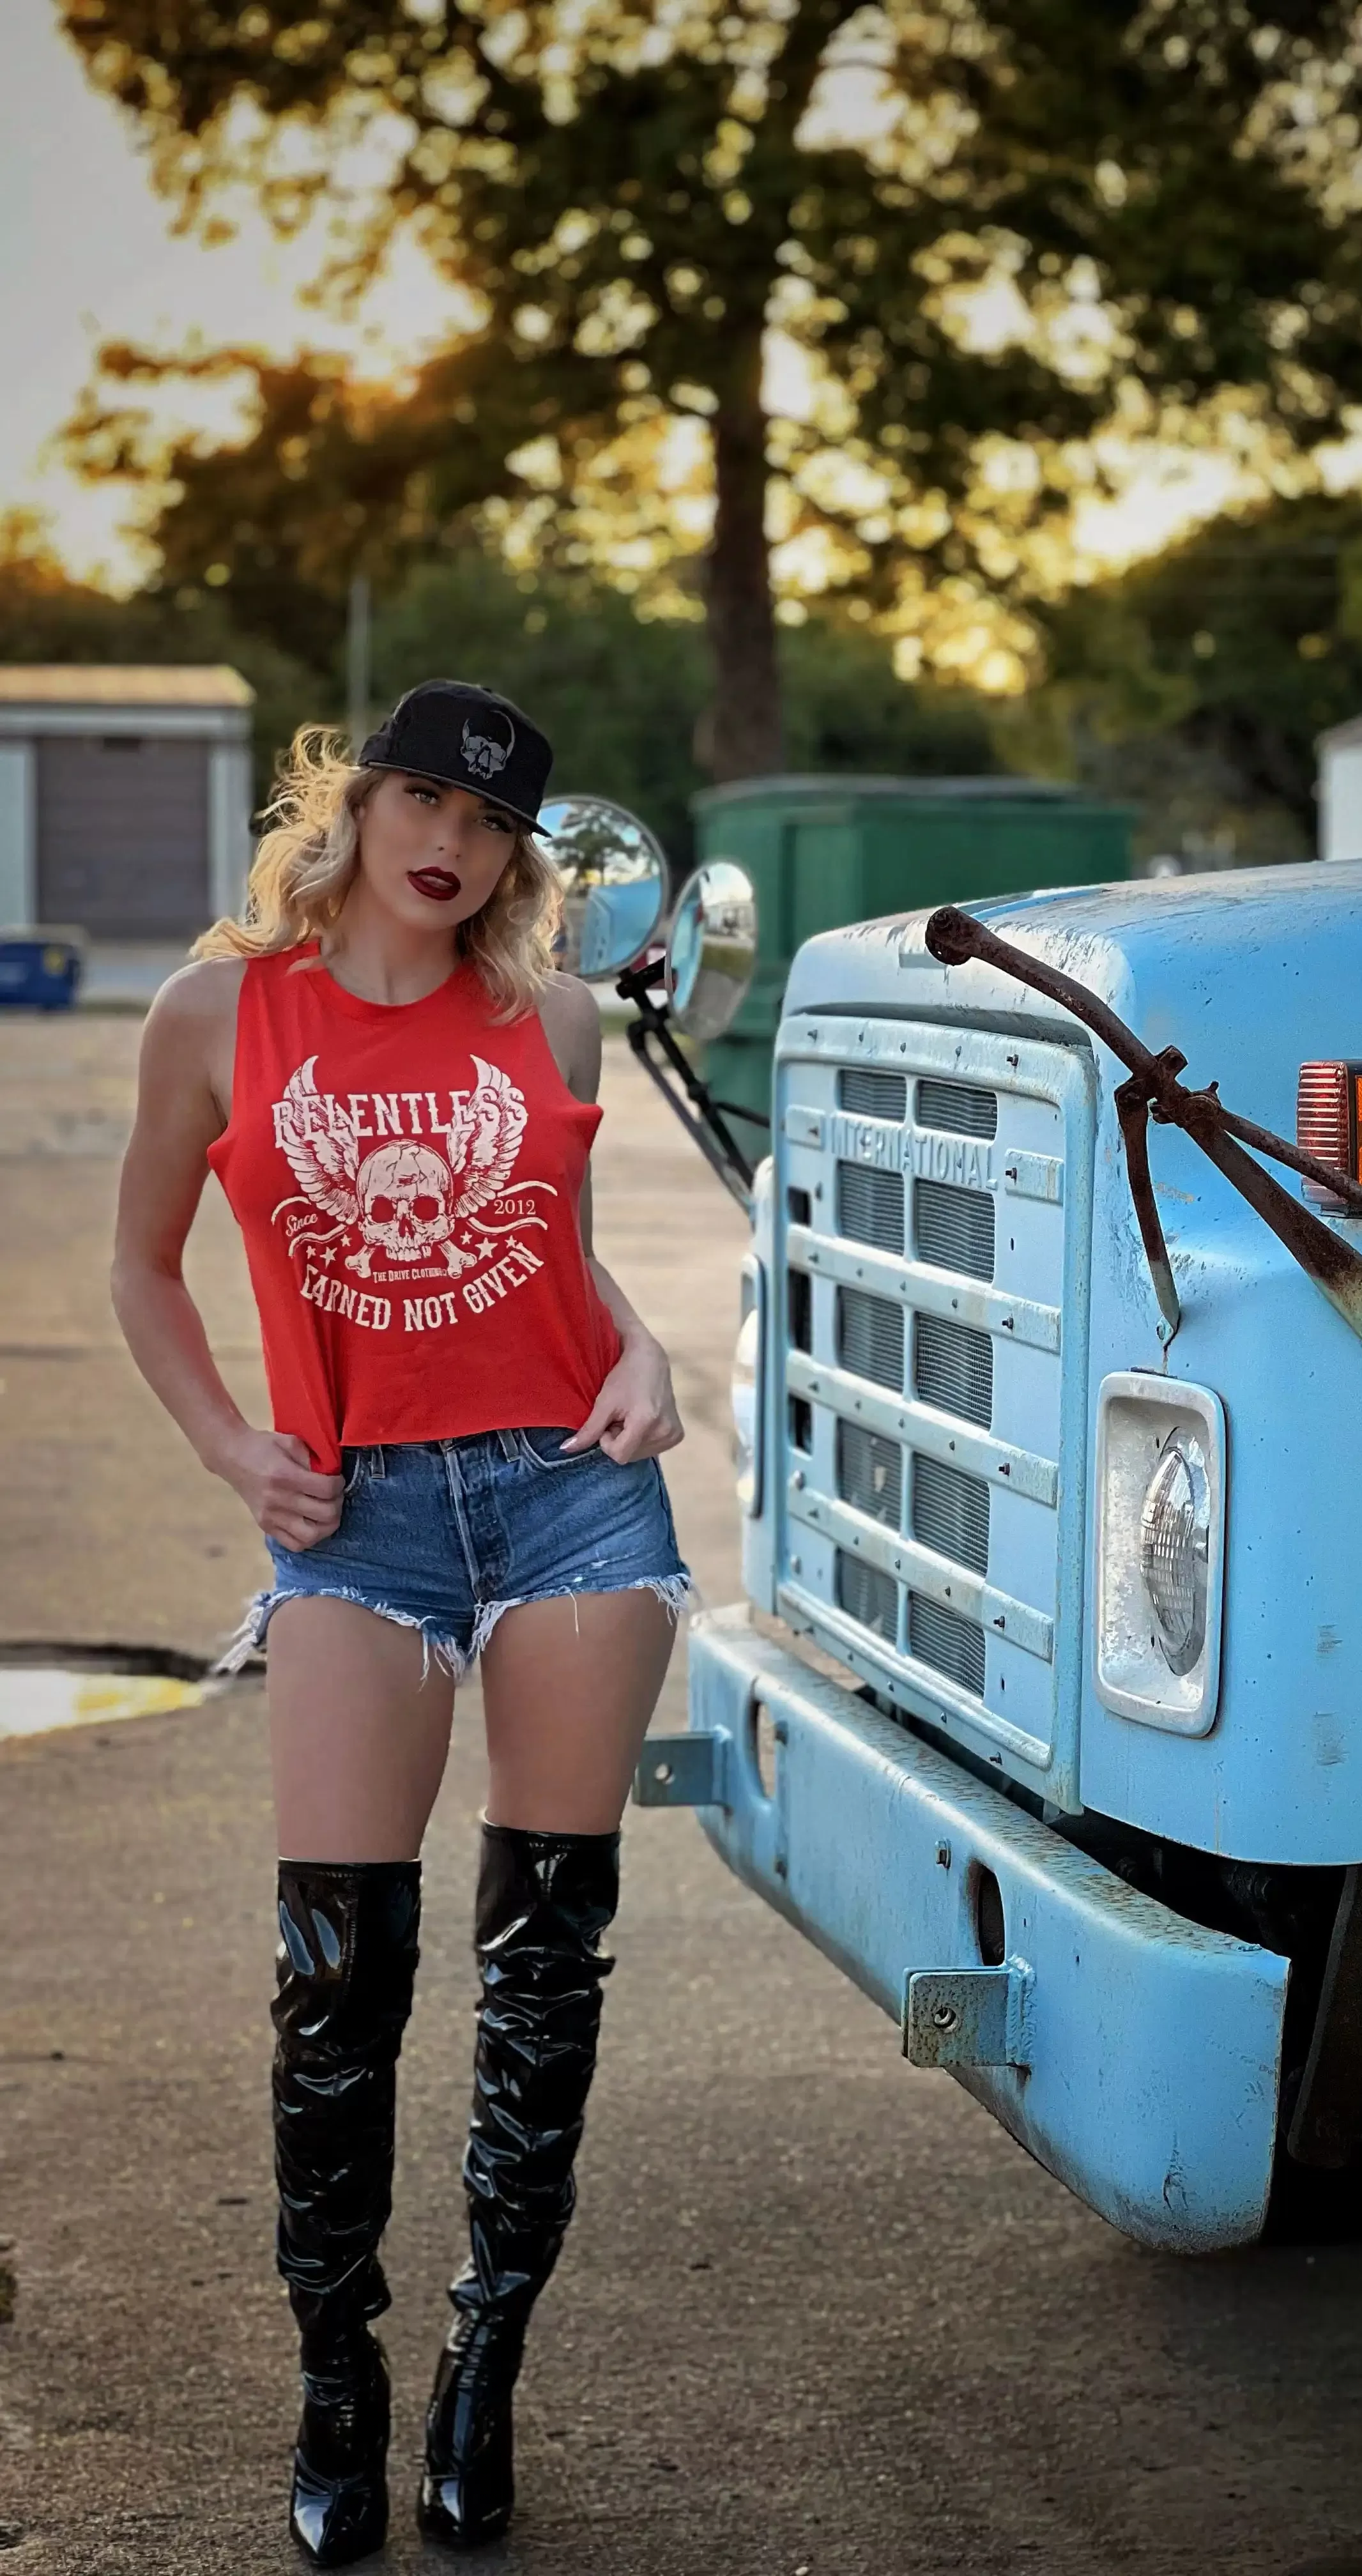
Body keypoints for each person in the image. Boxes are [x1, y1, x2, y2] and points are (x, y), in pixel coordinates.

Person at [110, 681, 689, 2565]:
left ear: (519, 856)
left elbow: (556, 1250)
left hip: (570, 1500)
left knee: (547, 1964)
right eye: (423, 796)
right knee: (337, 1980)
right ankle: (335, 2385)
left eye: (491, 822)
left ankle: (479, 2377)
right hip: (355, 1519)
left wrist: (650, 1349)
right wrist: (229, 1449)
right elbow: (140, 1261)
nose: (452, 840)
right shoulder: (218, 1014)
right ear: (355, 802)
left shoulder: (555, 1015)